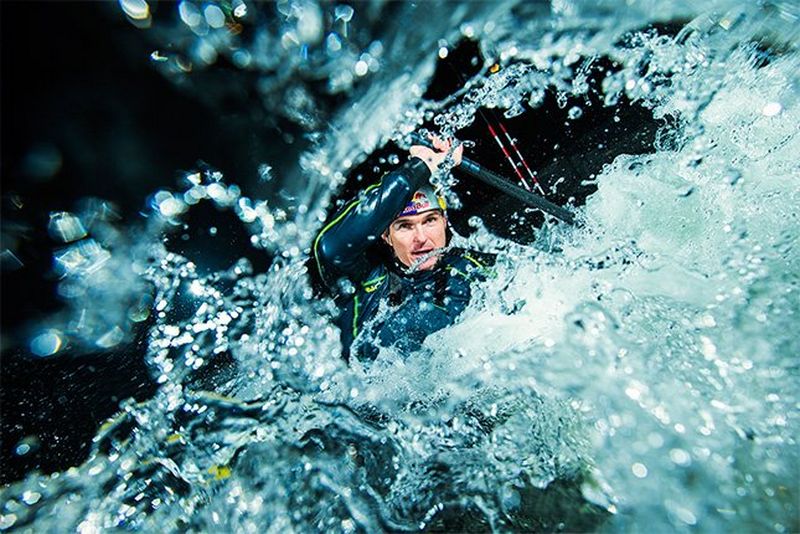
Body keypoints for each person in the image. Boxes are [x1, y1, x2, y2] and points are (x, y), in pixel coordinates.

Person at [313, 137, 494, 362]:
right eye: (405, 226)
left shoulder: (468, 268)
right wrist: (421, 167)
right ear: (386, 236)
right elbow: (331, 247)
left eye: (430, 221)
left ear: (444, 222)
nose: (421, 238)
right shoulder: (367, 281)